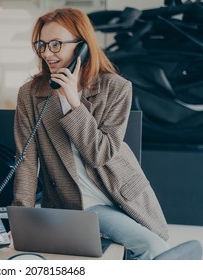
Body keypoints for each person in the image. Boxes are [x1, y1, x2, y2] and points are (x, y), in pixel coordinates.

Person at [11, 7, 169, 260]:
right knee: (150, 247)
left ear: (82, 46)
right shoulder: (31, 93)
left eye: (55, 44)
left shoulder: (116, 88)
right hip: (79, 202)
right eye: (41, 44)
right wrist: (22, 218)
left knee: (155, 247)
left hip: (120, 193)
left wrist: (75, 103)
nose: (46, 53)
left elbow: (100, 153)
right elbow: (26, 160)